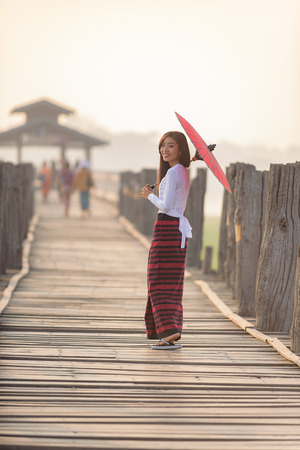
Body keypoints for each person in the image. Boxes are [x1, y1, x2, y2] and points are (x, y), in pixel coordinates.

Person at [141, 131, 192, 350]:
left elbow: (167, 206)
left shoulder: (173, 172)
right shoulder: (182, 171)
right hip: (177, 231)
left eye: (171, 146)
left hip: (167, 228)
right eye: (163, 146)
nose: (165, 150)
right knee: (171, 282)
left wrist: (148, 196)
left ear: (180, 149)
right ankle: (171, 329)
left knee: (157, 280)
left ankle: (169, 331)